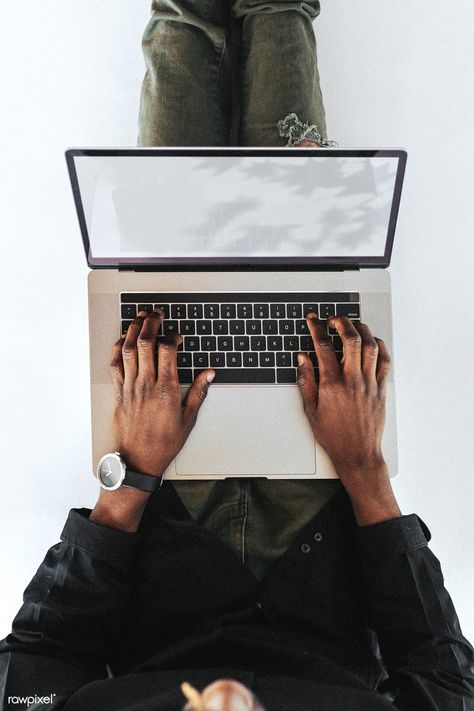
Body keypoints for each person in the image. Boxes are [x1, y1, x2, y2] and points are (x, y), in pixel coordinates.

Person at [1, 1, 473, 710]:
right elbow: (444, 681)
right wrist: (367, 471)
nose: (227, 695)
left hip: (163, 486)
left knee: (181, 40)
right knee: (281, 26)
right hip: (325, 485)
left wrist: (128, 478)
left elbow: (36, 663)